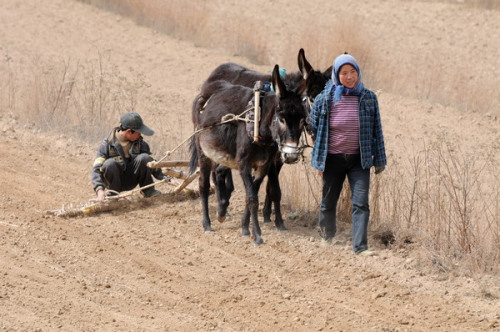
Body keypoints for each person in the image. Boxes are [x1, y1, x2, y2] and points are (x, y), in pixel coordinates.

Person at [309, 53, 387, 256]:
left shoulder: (368, 98)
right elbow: (314, 128)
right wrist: (320, 161)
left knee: (361, 203)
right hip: (333, 159)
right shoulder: (324, 99)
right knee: (328, 199)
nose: (350, 77)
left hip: (359, 160)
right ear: (336, 74)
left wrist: (379, 160)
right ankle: (326, 237)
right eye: (344, 73)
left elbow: (376, 130)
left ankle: (360, 247)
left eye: (353, 72)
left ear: (358, 73)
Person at [91, 111, 166, 202]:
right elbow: (96, 169)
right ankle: (113, 195)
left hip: (133, 178)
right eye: (138, 133)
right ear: (128, 131)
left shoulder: (141, 144)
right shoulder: (106, 144)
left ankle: (148, 191)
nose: (140, 135)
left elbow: (154, 163)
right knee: (109, 164)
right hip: (115, 181)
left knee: (145, 158)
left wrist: (167, 177)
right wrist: (100, 190)